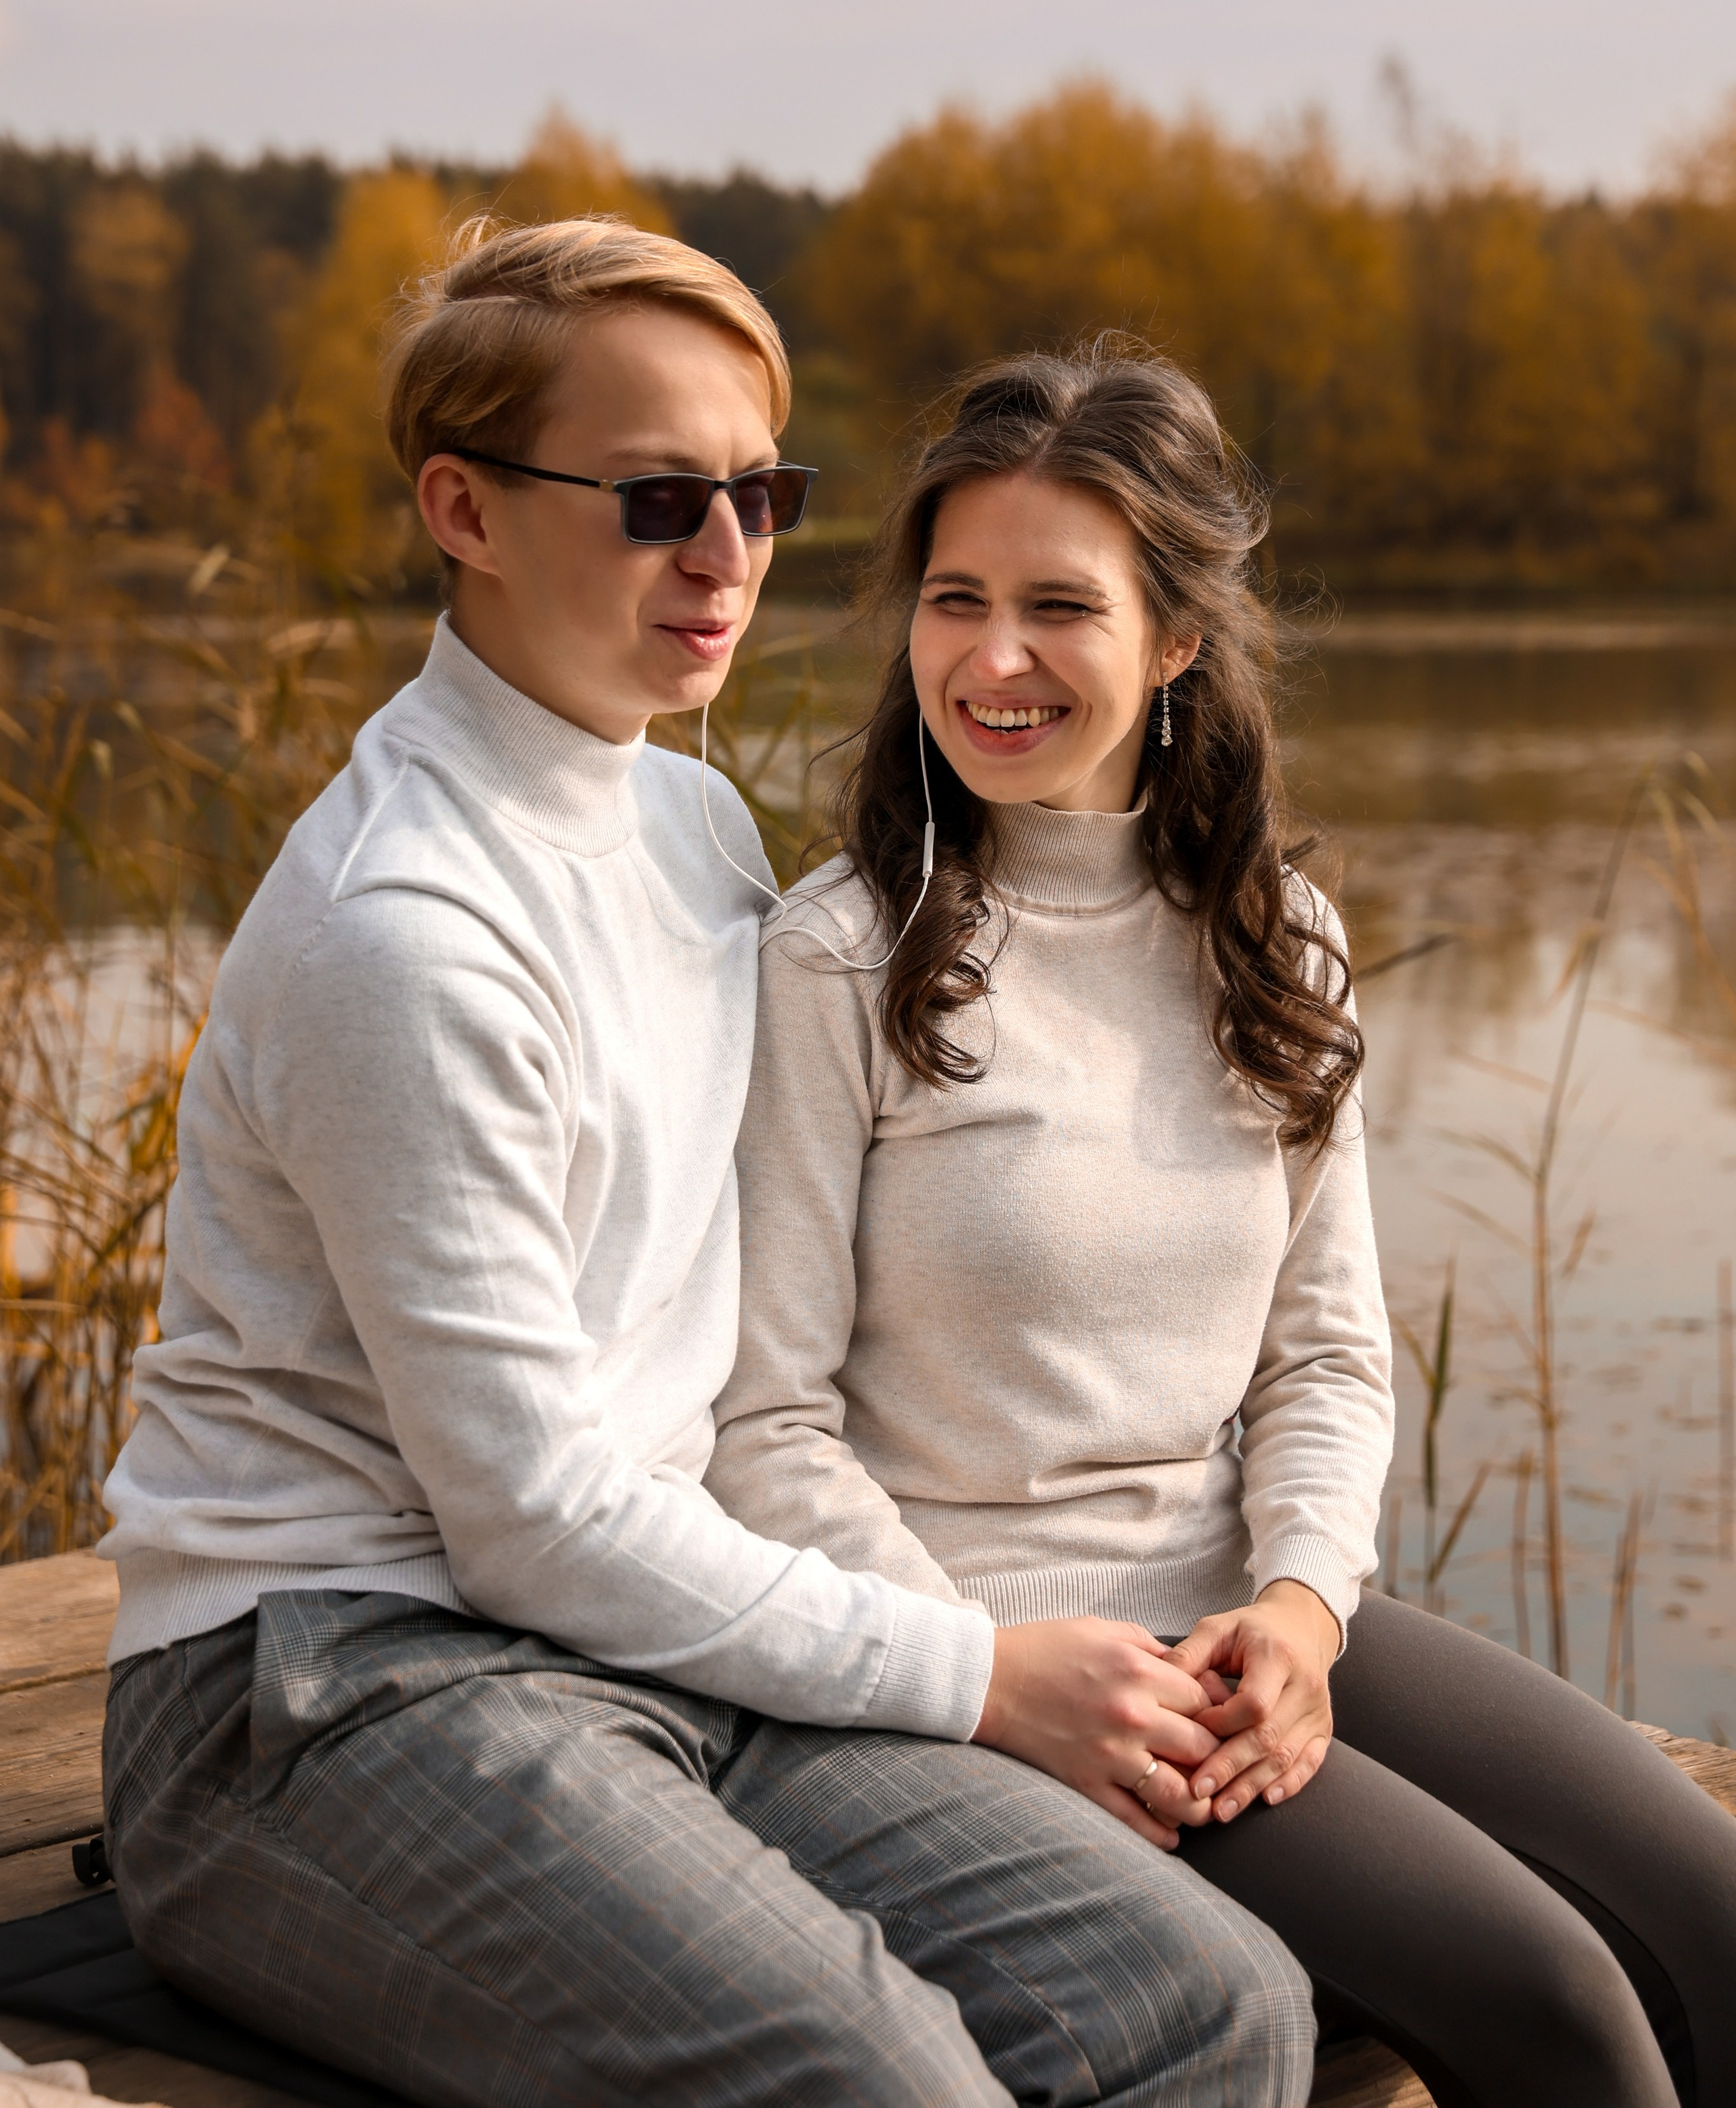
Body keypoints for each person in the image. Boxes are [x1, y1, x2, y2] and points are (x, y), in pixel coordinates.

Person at [98, 228, 1316, 2108]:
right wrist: (978, 1668)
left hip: (660, 1630)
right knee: (882, 2081)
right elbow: (525, 1518)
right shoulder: (408, 932)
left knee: (1209, 2004)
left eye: (762, 494)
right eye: (661, 499)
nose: (730, 556)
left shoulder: (687, 824)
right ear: (465, 511)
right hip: (335, 1685)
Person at [707, 338, 1736, 2108]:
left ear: (1178, 638)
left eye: (1060, 607)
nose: (994, 659)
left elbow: (1323, 1354)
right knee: (1559, 2007)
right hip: (1013, 1657)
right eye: (955, 601)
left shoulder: (1275, 939)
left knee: (1712, 1917)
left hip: (1244, 1613)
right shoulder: (839, 962)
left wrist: (1306, 1606)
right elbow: (762, 1424)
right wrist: (991, 1669)